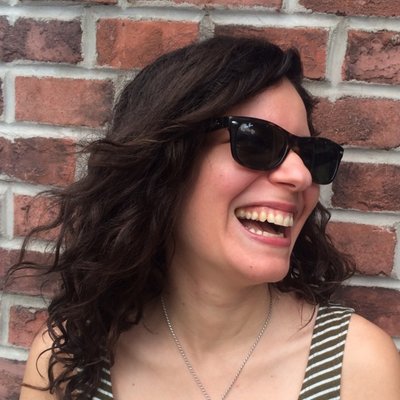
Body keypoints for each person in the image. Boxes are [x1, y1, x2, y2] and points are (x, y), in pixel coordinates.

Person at [15, 35, 400, 400]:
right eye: (257, 141)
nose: (300, 176)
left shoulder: (356, 367)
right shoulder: (68, 357)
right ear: (165, 164)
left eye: (311, 155)